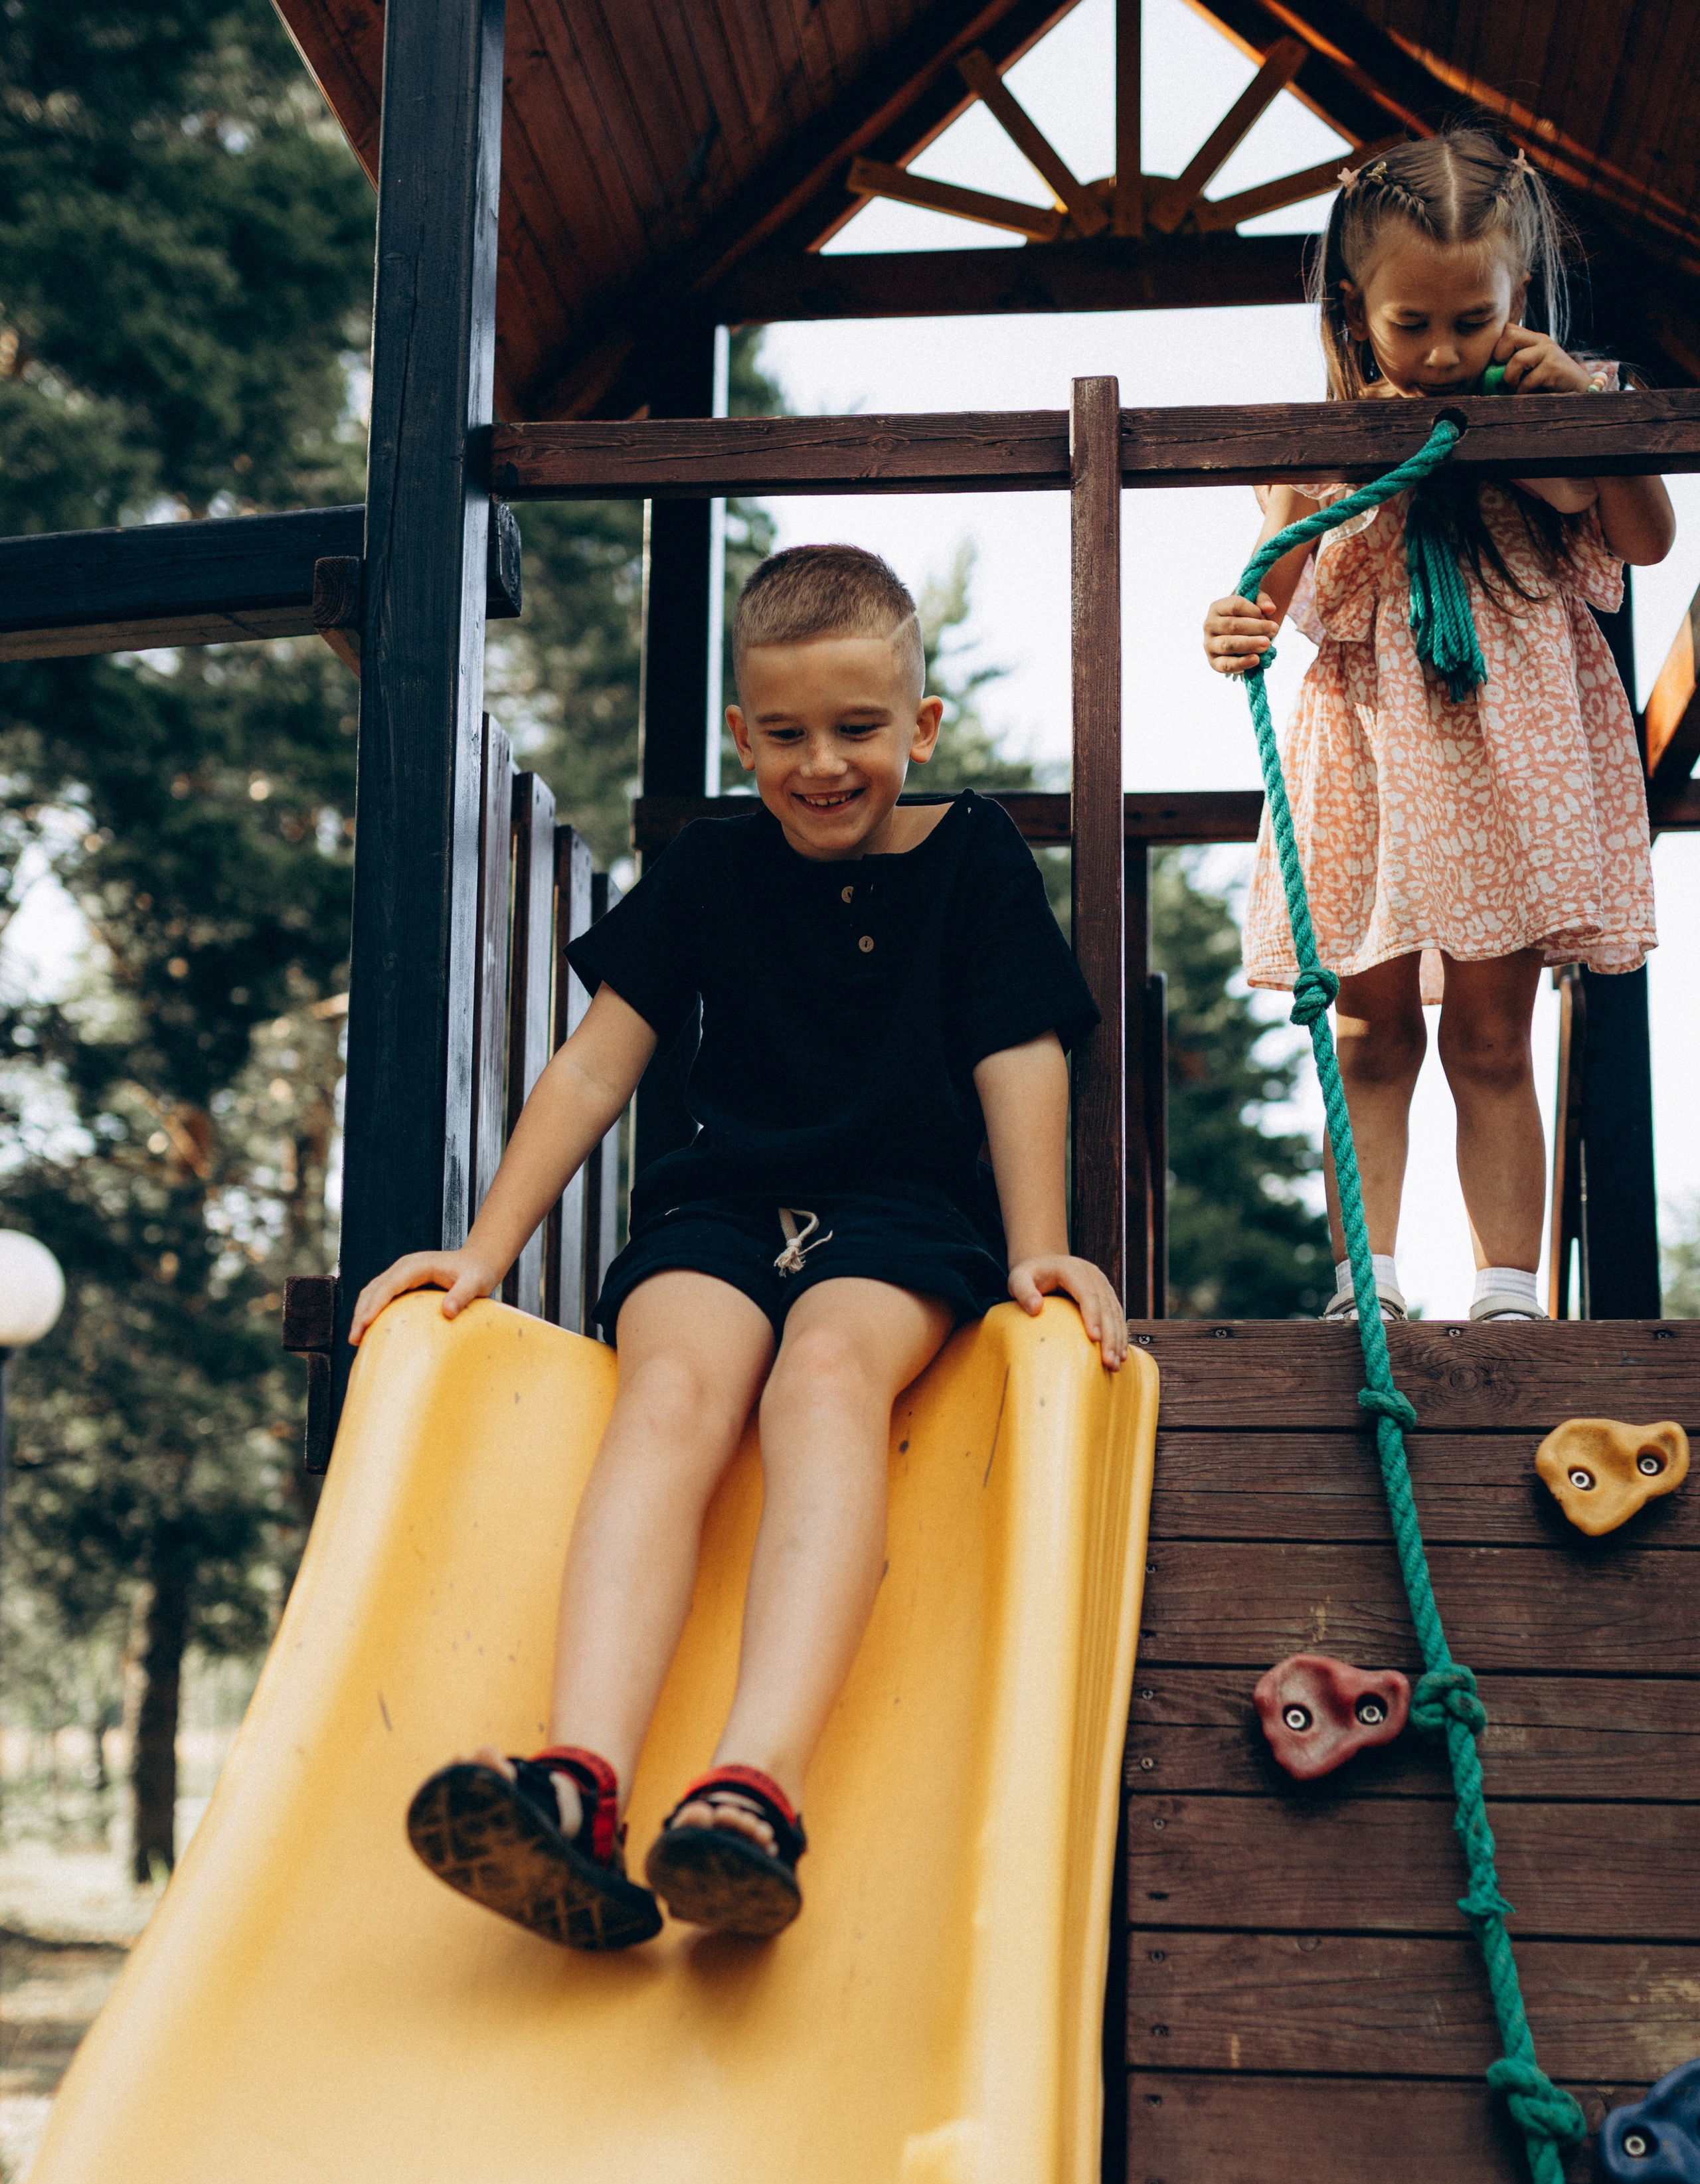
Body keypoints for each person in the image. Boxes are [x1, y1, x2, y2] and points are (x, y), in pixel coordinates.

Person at [349, 543, 1124, 1950]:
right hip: (714, 1210)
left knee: (822, 1382)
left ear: (920, 729)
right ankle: (579, 1780)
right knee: (670, 1394)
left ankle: (746, 1794)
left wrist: (1038, 1253)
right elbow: (594, 1070)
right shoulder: (710, 867)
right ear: (740, 734)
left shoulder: (972, 861)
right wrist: (480, 1252)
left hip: (898, 1219)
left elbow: (1020, 1056)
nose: (820, 765)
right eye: (784, 735)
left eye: (856, 731)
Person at [1202, 127, 1674, 1324]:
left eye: (1476, 320)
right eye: (1413, 325)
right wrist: (1234, 619)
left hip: (1507, 758)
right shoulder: (1323, 440)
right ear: (1357, 309)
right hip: (1367, 751)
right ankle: (1372, 1283)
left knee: (1491, 1034)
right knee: (1368, 1032)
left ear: (1522, 297)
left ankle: (1509, 1293)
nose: (1446, 352)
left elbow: (1646, 535)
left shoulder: (1562, 411)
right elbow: (1269, 591)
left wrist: (1583, 408)